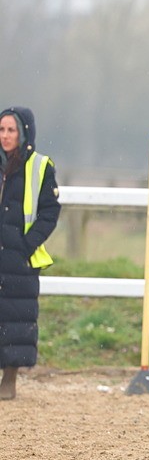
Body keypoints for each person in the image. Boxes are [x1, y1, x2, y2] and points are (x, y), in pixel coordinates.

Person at [0, 107, 60, 400]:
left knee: (16, 319)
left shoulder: (40, 167)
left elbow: (49, 212)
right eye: (1, 130)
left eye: (11, 130)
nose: (5, 136)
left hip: (19, 259)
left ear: (24, 133)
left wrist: (27, 245)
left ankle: (9, 380)